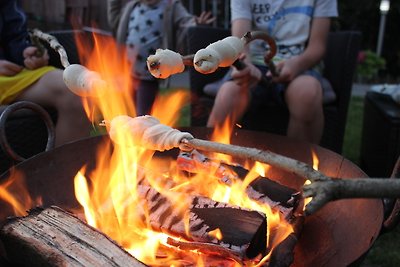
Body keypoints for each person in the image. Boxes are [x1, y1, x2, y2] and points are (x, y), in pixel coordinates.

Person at [207, 0, 338, 144]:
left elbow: (317, 47)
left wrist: (297, 65)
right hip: (254, 63)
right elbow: (239, 43)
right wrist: (246, 66)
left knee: (307, 94)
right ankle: (206, 159)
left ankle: (299, 164)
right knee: (228, 95)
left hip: (298, 64)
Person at [0, 0, 91, 146]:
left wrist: (25, 53)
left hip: (10, 75)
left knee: (77, 94)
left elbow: (14, 36)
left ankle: (65, 167)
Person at [107, 0, 215, 116]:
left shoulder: (170, 6)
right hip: (129, 71)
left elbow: (185, 20)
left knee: (143, 113)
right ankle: (133, 131)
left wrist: (196, 22)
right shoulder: (133, 6)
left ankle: (144, 130)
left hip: (149, 74)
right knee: (130, 109)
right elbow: (114, 19)